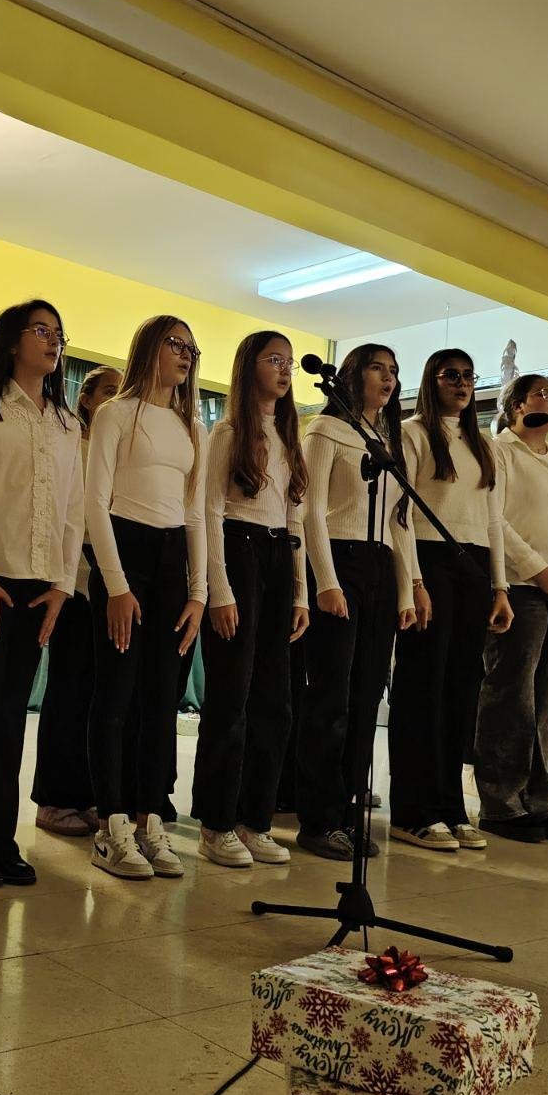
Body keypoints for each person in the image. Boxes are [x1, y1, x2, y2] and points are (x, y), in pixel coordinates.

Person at [0, 301, 84, 888]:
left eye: (58, 333)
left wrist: (63, 586)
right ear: (12, 341)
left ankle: (0, 839)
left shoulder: (67, 425)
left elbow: (74, 509)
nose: (53, 341)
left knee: (9, 720)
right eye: (41, 330)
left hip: (39, 588)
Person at [84, 317, 207, 879]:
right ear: (149, 348)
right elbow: (95, 503)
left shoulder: (192, 427)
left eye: (191, 348)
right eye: (174, 344)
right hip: (125, 551)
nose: (185, 354)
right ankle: (110, 826)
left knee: (161, 702)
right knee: (115, 695)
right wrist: (116, 585)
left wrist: (198, 592)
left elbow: (195, 513)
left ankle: (149, 819)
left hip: (171, 561)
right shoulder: (116, 414)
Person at [387, 349, 512, 853]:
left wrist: (500, 586)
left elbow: (493, 520)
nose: (461, 384)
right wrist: (414, 581)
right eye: (450, 375)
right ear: (431, 380)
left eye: (468, 376)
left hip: (473, 564)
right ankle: (412, 811)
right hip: (430, 559)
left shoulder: (484, 445)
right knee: (423, 688)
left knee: (461, 691)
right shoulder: (413, 433)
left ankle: (450, 807)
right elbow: (399, 515)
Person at [193, 332, 310, 867]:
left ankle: (254, 820)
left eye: (289, 362)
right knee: (230, 700)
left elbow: (294, 519)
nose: (284, 370)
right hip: (238, 554)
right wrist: (218, 589)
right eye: (274, 360)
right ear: (249, 367)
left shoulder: (289, 437)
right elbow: (211, 513)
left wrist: (300, 593)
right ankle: (216, 822)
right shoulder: (227, 433)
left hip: (278, 557)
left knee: (275, 704)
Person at [298, 344, 416, 861]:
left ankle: (347, 809)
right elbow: (311, 511)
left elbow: (399, 521)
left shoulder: (385, 440)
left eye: (394, 371)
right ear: (352, 375)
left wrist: (406, 589)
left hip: (379, 567)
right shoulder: (325, 430)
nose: (387, 378)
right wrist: (326, 581)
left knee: (367, 696)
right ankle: (318, 818)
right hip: (338, 563)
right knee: (332, 698)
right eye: (376, 368)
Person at [473, 375, 548, 844]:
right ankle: (501, 803)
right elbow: (495, 520)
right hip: (520, 587)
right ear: (515, 406)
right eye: (541, 393)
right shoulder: (499, 452)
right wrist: (538, 568)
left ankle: (540, 799)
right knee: (511, 695)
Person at [33, 364, 121, 837]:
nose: (115, 399)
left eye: (122, 391)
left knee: (96, 692)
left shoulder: (118, 445)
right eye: (108, 391)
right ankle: (53, 799)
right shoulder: (70, 439)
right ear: (86, 398)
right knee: (67, 690)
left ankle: (85, 793)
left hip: (109, 579)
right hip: (70, 576)